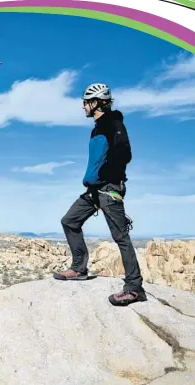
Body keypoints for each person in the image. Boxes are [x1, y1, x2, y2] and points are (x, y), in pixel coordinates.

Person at [53, 83, 147, 307]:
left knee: (120, 237)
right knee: (69, 221)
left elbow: (124, 153)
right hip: (94, 190)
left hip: (109, 188)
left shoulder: (113, 123)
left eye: (86, 102)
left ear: (97, 102)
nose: (83, 106)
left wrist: (107, 174)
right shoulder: (97, 128)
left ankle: (134, 288)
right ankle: (79, 268)